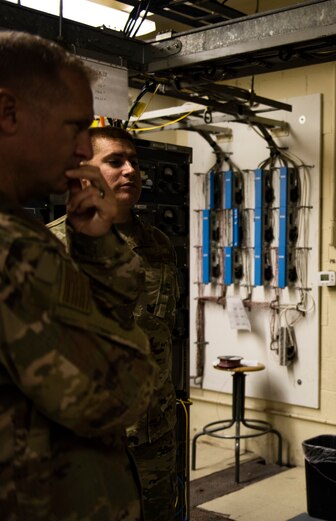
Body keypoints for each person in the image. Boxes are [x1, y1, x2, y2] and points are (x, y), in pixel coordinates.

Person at [0, 31, 157, 520]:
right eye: (74, 127)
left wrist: (95, 243)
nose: (82, 149)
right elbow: (118, 394)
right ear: (7, 113)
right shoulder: (15, 249)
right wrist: (140, 360)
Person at [49, 126, 180, 521]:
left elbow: (160, 331)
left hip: (154, 438)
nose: (130, 171)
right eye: (115, 161)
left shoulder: (158, 244)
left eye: (135, 162)